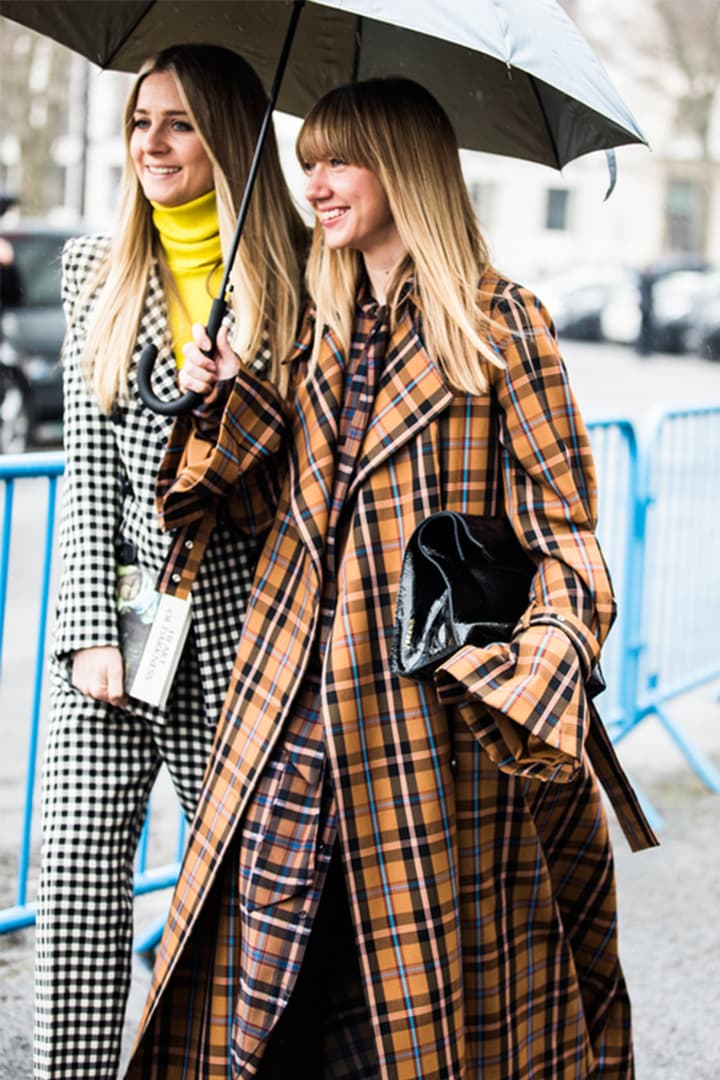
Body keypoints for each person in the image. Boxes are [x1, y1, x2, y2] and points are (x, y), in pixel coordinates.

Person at [126, 78, 657, 1079]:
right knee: (264, 1007)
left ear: (403, 169)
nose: (314, 183)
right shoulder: (306, 324)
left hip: (432, 736)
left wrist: (529, 677)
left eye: (339, 160)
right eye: (308, 160)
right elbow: (239, 505)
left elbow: (568, 536)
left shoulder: (501, 326)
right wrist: (213, 399)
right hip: (289, 722)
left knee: (408, 1021)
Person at [34, 43, 306, 1080]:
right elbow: (88, 475)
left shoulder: (298, 286)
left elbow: (305, 494)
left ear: (230, 139)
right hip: (119, 634)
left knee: (240, 900)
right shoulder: (94, 272)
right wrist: (87, 632)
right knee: (74, 871)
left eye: (181, 122)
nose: (153, 141)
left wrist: (239, 398)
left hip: (241, 643)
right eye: (141, 120)